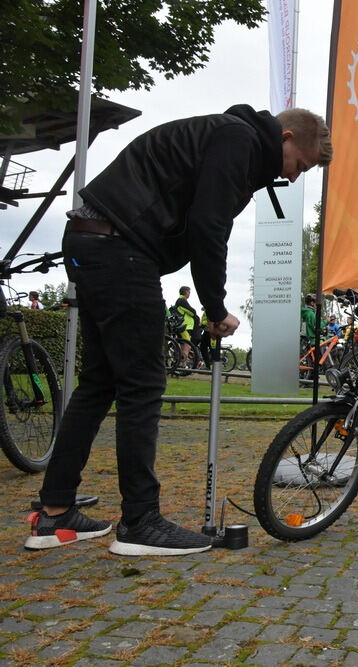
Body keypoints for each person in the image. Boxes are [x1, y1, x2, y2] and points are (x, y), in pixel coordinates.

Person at [25, 105, 332, 556]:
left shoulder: (225, 137)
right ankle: (140, 522)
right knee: (143, 384)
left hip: (92, 240)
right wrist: (215, 308)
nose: (291, 177)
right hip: (120, 248)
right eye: (298, 165)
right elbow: (210, 226)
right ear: (286, 138)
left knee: (98, 384)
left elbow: (192, 221)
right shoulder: (239, 141)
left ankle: (54, 513)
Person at [174, 286, 199, 368]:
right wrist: (194, 313)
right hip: (184, 326)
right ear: (185, 292)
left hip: (185, 326)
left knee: (184, 345)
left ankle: (181, 364)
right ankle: (182, 364)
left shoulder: (182, 300)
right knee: (187, 345)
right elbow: (192, 312)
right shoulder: (182, 300)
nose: (189, 294)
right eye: (189, 292)